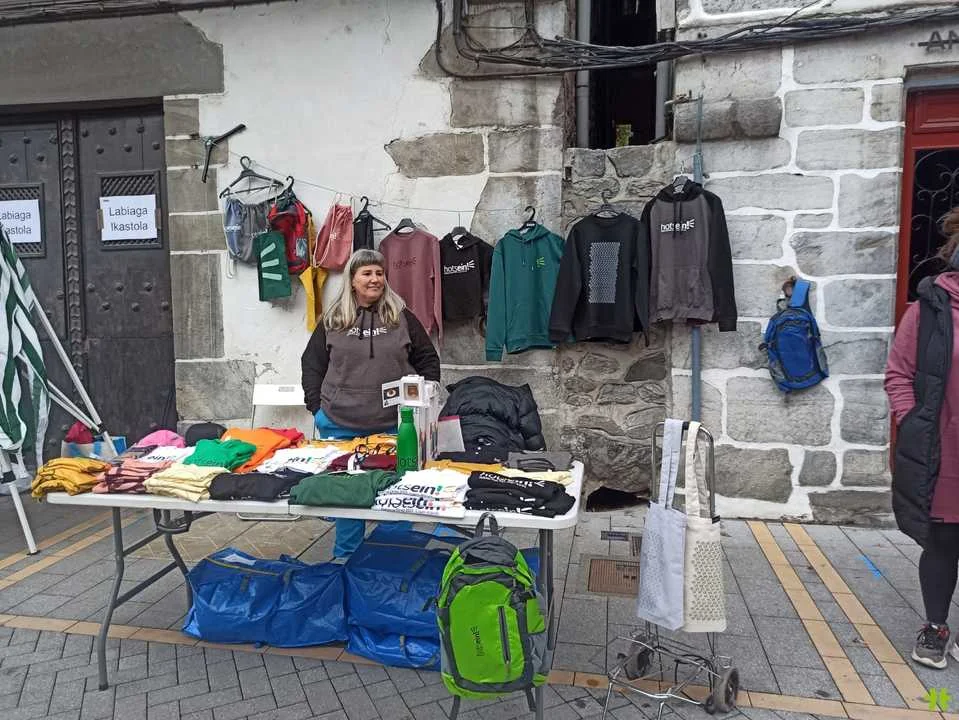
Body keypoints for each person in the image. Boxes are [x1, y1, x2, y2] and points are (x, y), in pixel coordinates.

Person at [301, 249, 440, 557]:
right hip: (339, 423)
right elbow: (312, 364)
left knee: (398, 493)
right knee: (347, 495)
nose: (374, 279)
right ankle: (347, 558)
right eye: (367, 273)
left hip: (394, 426)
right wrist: (317, 409)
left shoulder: (401, 317)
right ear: (352, 280)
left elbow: (428, 360)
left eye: (379, 273)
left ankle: (392, 556)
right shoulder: (334, 319)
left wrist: (423, 406)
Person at [885, 208, 959, 669]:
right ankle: (936, 628)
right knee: (943, 540)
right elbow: (899, 373)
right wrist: (913, 421)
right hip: (943, 448)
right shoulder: (929, 308)